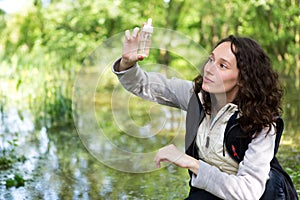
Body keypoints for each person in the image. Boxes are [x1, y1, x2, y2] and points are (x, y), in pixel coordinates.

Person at [112, 25, 296, 199]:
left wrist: (190, 163)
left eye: (222, 66)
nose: (209, 69)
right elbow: (144, 85)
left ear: (243, 79)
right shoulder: (196, 96)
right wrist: (127, 64)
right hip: (211, 191)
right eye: (211, 59)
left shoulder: (263, 122)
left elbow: (248, 192)